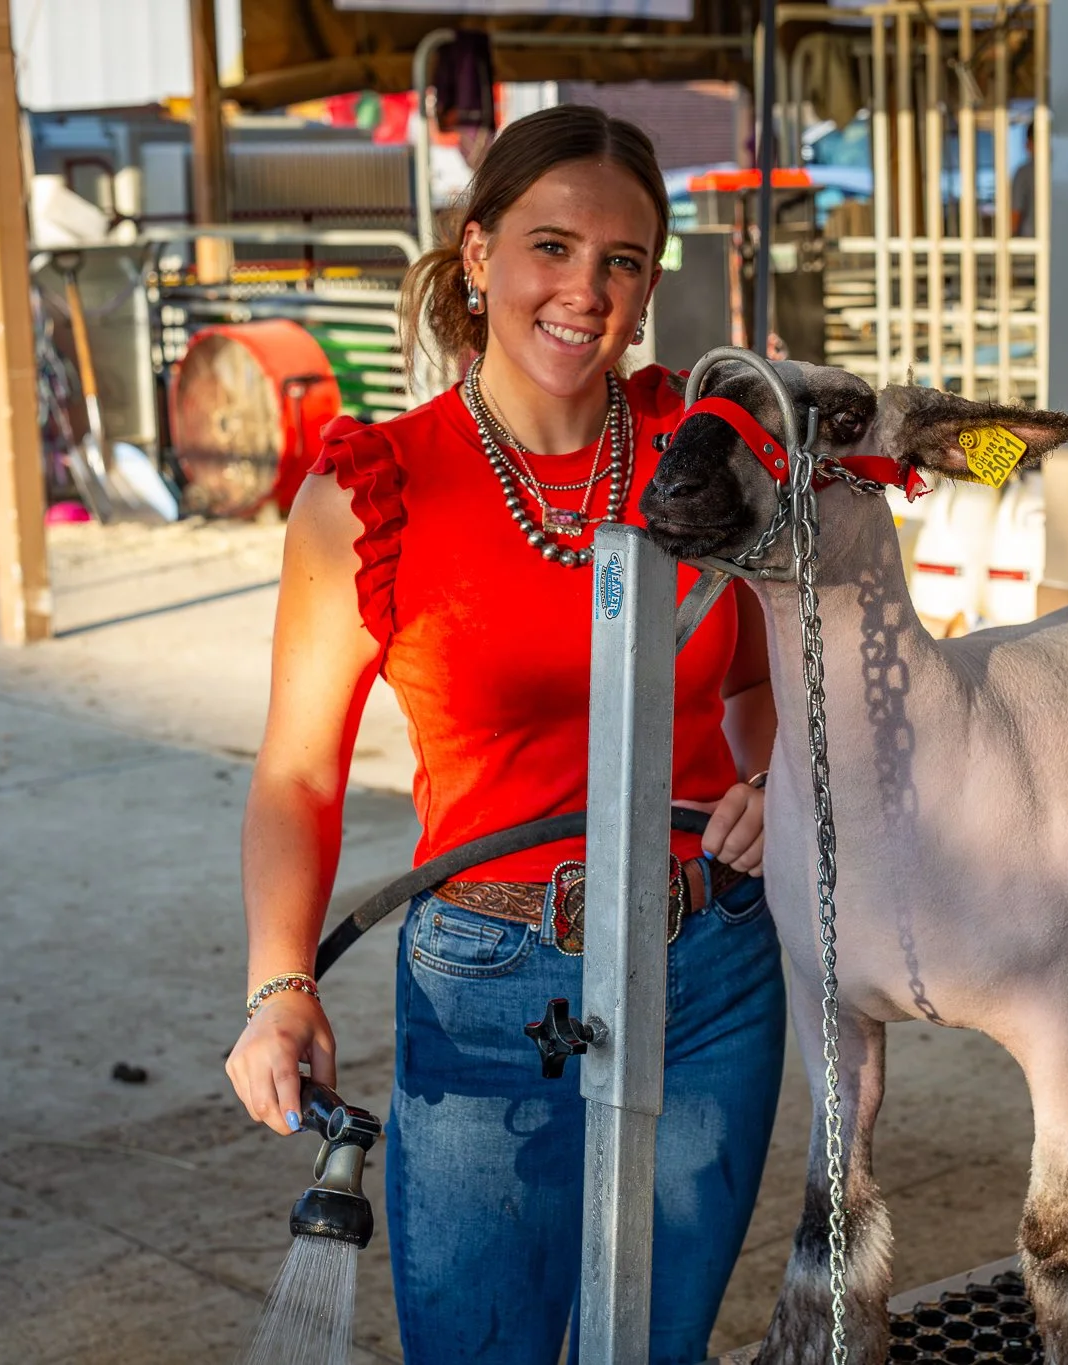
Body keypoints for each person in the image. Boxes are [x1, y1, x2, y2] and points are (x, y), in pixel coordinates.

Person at [224, 106, 786, 1365]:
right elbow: (299, 771)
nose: (584, 290)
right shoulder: (372, 492)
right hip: (487, 988)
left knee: (653, 1345)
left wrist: (773, 778)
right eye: (550, 246)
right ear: (475, 256)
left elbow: (759, 690)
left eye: (623, 260)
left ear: (648, 287)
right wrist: (280, 985)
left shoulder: (713, 461)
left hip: (712, 970)